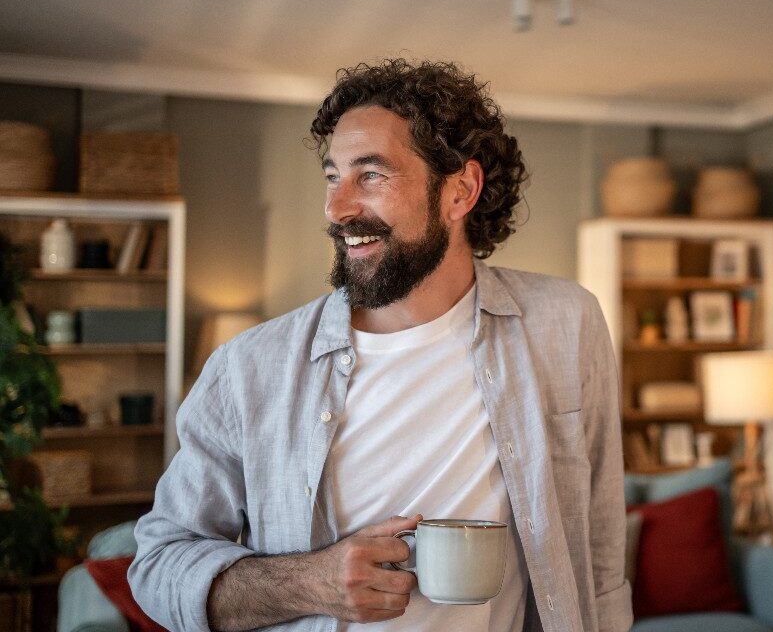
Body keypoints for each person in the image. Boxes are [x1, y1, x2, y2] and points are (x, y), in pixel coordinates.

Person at [130, 59, 633, 632]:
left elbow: (599, 552)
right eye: (331, 176)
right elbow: (159, 566)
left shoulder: (564, 324)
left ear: (461, 190)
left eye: (371, 175)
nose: (337, 207)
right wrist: (313, 582)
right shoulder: (250, 369)